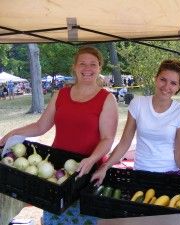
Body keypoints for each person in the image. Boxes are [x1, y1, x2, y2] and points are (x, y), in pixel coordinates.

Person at [0, 46, 118, 225]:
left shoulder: (107, 99)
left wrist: (92, 159)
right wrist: (11, 133)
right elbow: (41, 126)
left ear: (99, 67)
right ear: (75, 67)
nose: (88, 68)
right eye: (82, 64)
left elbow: (107, 139)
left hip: (88, 173)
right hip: (57, 172)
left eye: (93, 64)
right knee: (56, 218)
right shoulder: (60, 94)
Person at [91, 59, 180, 195]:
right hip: (140, 174)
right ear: (155, 78)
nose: (167, 86)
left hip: (170, 175)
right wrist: (105, 166)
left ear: (178, 87)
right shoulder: (138, 104)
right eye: (163, 79)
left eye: (173, 83)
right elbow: (124, 143)